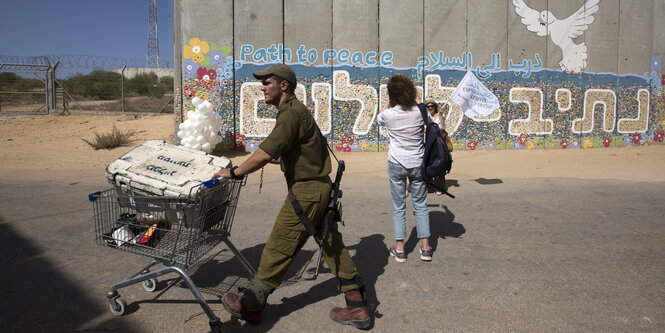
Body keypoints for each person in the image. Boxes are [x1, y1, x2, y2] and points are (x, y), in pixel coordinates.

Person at [211, 64, 371, 329]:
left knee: (279, 245)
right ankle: (357, 306)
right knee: (331, 245)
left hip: (307, 192)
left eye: (267, 82)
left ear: (283, 85)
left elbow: (265, 152)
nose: (262, 86)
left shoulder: (290, 114)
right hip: (320, 189)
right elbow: (295, 152)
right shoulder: (297, 111)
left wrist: (234, 172)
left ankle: (250, 305)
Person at [376, 75, 432, 262]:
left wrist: (389, 102)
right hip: (417, 164)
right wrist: (417, 100)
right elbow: (430, 119)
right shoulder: (420, 111)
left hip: (397, 163)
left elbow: (379, 117)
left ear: (393, 95)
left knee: (399, 206)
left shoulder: (389, 114)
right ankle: (425, 247)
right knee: (421, 205)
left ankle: (400, 249)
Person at [425, 100, 453, 195]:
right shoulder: (425, 117)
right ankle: (430, 187)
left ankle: (439, 187)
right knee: (427, 163)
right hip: (428, 143)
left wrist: (440, 115)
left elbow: (443, 127)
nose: (430, 108)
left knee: (439, 163)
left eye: (431, 106)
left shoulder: (438, 115)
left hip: (438, 143)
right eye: (428, 106)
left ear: (435, 107)